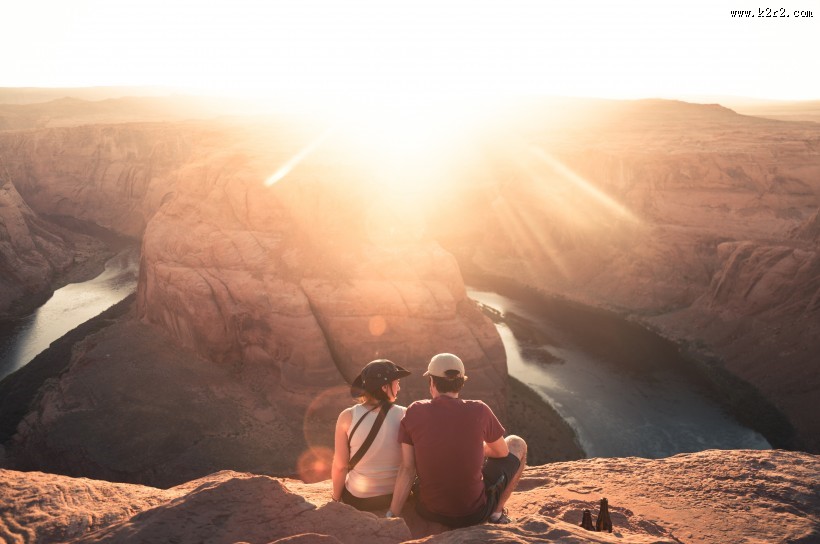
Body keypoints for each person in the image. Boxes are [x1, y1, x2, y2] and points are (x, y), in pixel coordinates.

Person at [387, 353, 527, 526]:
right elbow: (502, 452)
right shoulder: (480, 410)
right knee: (517, 443)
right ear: (461, 383)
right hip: (473, 514)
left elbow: (407, 468)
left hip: (428, 511)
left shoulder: (414, 411)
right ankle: (496, 515)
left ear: (432, 382)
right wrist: (478, 448)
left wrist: (392, 515)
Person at [331, 359, 411, 510]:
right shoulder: (406, 414)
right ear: (385, 387)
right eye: (397, 383)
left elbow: (340, 466)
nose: (399, 388)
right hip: (394, 496)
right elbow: (409, 465)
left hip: (359, 499)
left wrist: (335, 499)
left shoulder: (347, 416)